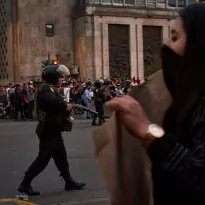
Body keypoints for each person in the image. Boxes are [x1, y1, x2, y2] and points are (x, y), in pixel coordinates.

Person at [106, 4, 205, 205]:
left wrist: (147, 130)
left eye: (175, 37)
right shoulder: (184, 103)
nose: (166, 44)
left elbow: (199, 182)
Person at [17, 64, 85, 196]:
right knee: (43, 159)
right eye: (59, 77)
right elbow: (52, 102)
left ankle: (68, 181)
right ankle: (25, 183)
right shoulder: (46, 90)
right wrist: (66, 106)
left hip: (53, 129)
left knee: (61, 157)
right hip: (48, 130)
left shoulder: (50, 88)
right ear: (53, 78)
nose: (61, 80)